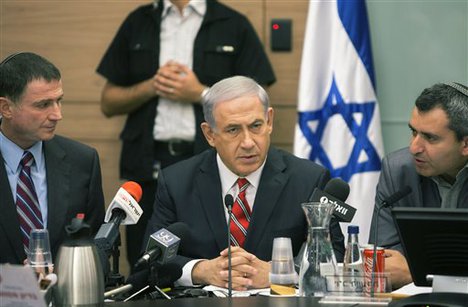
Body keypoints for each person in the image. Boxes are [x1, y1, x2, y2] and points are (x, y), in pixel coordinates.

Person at [96, 0, 276, 268]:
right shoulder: (139, 21)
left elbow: (256, 99)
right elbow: (108, 101)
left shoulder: (231, 23)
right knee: (145, 260)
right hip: (147, 166)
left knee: (211, 253)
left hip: (209, 164)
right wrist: (152, 86)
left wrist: (200, 94)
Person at [144, 76, 345, 290]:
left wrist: (281, 271)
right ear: (210, 134)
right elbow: (151, 261)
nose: (248, 143)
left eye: (256, 125)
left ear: (269, 121)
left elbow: (336, 258)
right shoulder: (177, 181)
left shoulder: (309, 179)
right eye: (233, 130)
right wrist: (202, 271)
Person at [0, 52, 105, 265]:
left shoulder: (83, 161)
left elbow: (97, 246)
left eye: (59, 101)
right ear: (6, 108)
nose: (57, 114)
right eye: (43, 105)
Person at [369, 82, 468, 289]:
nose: (414, 148)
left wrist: (416, 273)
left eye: (430, 138)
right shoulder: (398, 170)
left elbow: (405, 270)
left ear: (465, 144)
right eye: (414, 132)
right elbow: (387, 264)